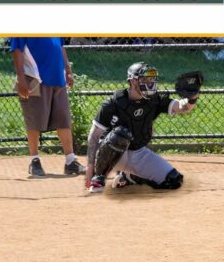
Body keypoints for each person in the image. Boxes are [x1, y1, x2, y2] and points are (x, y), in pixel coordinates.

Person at [85, 63, 201, 193]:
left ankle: (131, 177)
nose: (150, 83)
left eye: (151, 79)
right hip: (109, 154)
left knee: (174, 180)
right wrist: (90, 169)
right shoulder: (113, 103)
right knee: (121, 134)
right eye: (144, 79)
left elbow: (181, 107)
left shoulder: (155, 99)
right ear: (133, 81)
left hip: (138, 153)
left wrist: (192, 97)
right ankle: (99, 178)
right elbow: (94, 136)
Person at [10, 37, 86, 176]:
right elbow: (16, 50)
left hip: (58, 78)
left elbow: (61, 47)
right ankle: (34, 161)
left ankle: (70, 161)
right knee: (34, 120)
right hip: (34, 77)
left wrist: (68, 69)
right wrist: (21, 78)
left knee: (64, 120)